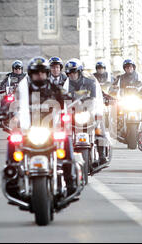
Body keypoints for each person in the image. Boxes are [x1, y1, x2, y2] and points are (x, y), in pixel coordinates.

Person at [11, 56, 79, 194]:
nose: (40, 75)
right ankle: (11, 176)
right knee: (13, 141)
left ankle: (71, 179)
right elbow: (13, 102)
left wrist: (73, 102)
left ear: (47, 73)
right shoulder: (23, 89)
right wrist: (7, 111)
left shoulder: (55, 88)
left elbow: (66, 98)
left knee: (66, 141)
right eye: (37, 72)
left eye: (43, 72)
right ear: (31, 74)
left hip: (50, 129)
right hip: (29, 129)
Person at [63, 58, 109, 166]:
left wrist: (98, 110)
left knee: (98, 126)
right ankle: (65, 153)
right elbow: (64, 98)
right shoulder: (67, 83)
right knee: (64, 130)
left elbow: (96, 98)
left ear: (79, 71)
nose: (72, 75)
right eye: (69, 73)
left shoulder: (90, 81)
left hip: (89, 109)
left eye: (74, 72)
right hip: (75, 110)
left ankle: (102, 154)